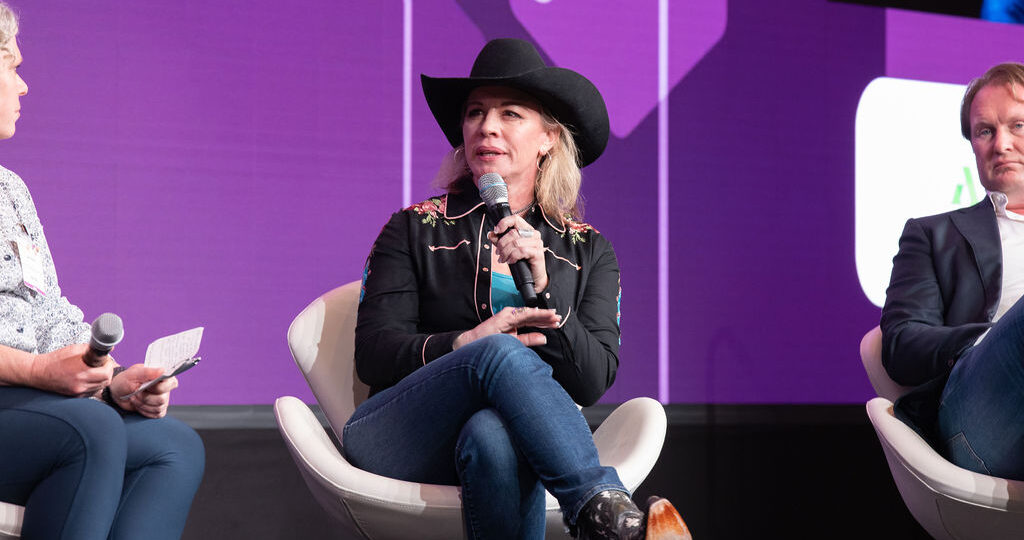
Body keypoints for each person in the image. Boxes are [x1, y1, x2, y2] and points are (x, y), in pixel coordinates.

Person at [344, 38, 690, 540]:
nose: (487, 127)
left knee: (495, 436)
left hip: (512, 437)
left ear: (549, 138)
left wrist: (545, 291)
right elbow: (373, 355)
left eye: (510, 113)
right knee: (497, 352)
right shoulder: (414, 228)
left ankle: (609, 522)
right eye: (475, 113)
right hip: (399, 433)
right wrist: (466, 343)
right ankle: (605, 514)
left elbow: (592, 381)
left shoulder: (588, 251)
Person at [0, 4, 205, 539]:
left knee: (173, 447)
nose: (24, 88)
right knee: (89, 433)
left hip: (27, 405)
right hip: (18, 396)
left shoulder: (11, 190)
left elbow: (48, 311)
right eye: (13, 67)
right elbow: (40, 364)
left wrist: (112, 383)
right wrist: (39, 373)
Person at [882, 62, 1024, 479]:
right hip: (978, 412)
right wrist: (991, 339)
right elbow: (902, 343)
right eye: (985, 131)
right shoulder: (933, 235)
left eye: (1018, 125)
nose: (1001, 144)